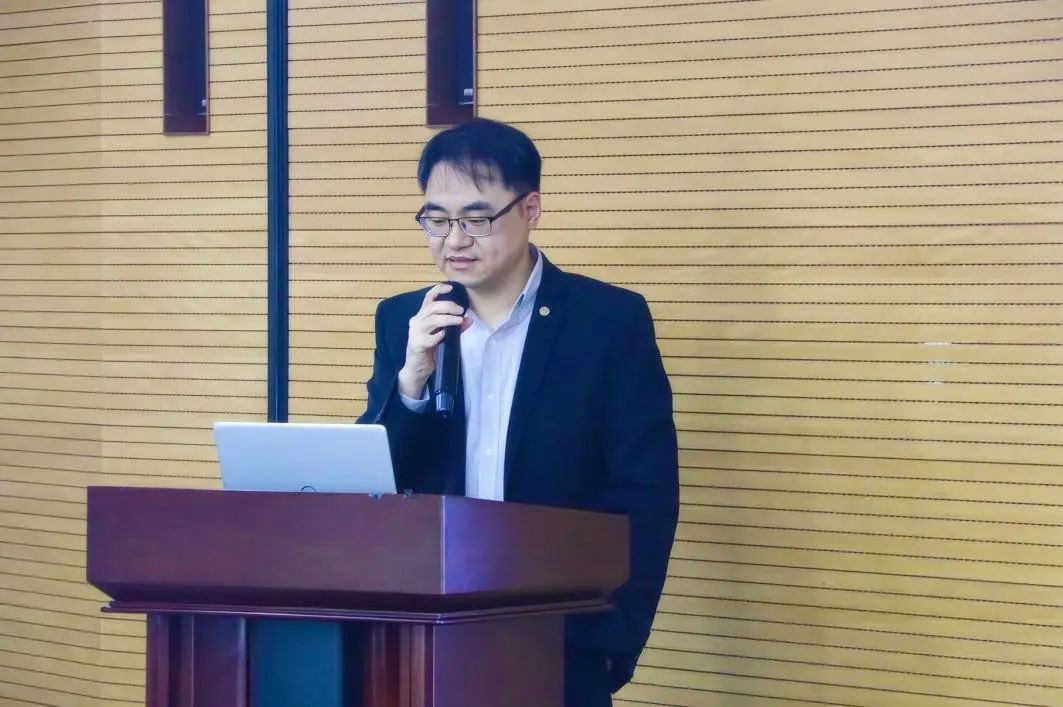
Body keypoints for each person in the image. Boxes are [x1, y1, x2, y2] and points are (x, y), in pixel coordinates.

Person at [359, 118, 679, 707]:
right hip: (428, 632)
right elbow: (373, 484)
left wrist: (612, 641)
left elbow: (647, 494)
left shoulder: (607, 322)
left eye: (476, 219)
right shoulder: (404, 319)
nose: (455, 240)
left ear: (530, 209)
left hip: (560, 633)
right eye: (437, 220)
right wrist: (411, 380)